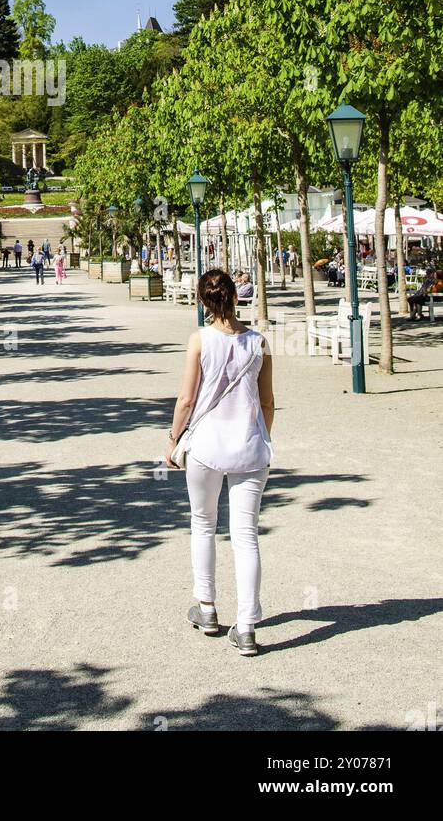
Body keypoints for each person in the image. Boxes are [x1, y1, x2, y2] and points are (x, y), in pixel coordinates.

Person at [167, 269, 274, 658]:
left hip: (207, 446)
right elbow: (267, 403)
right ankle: (246, 627)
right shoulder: (259, 342)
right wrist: (263, 435)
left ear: (203, 301)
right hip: (248, 447)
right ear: (235, 297)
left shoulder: (199, 340)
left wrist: (173, 439)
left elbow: (186, 400)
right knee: (246, 537)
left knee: (203, 524)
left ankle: (207, 607)